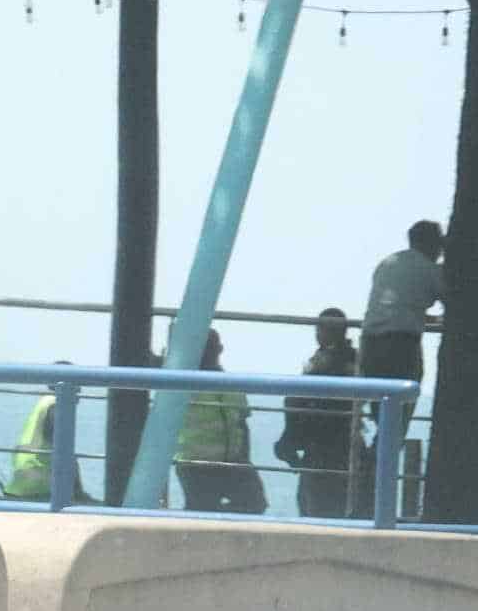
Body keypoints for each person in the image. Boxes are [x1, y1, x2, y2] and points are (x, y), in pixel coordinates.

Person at [363, 219, 443, 447]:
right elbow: (454, 303)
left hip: (371, 343)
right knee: (402, 409)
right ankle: (379, 463)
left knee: (382, 411)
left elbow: (396, 304)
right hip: (401, 344)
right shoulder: (428, 269)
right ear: (434, 244)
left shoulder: (387, 263)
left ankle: (371, 466)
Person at [280, 307, 362, 519]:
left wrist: (288, 440)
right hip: (347, 444)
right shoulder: (356, 362)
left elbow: (296, 401)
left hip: (321, 448)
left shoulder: (322, 364)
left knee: (315, 510)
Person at [174, 331, 265, 516]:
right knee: (202, 509)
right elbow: (243, 424)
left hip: (230, 462)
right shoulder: (184, 384)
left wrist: (244, 461)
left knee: (254, 503)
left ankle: (212, 520)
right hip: (195, 464)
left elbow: (242, 424)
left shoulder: (230, 383)